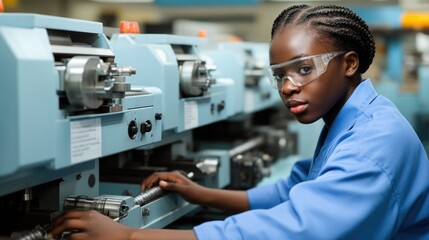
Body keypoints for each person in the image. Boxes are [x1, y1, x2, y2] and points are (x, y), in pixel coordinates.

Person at [50, 4, 429, 240]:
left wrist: (131, 237)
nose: (288, 87)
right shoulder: (351, 120)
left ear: (349, 64)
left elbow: (300, 228)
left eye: (303, 69)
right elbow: (296, 192)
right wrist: (203, 194)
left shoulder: (373, 143)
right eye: (279, 75)